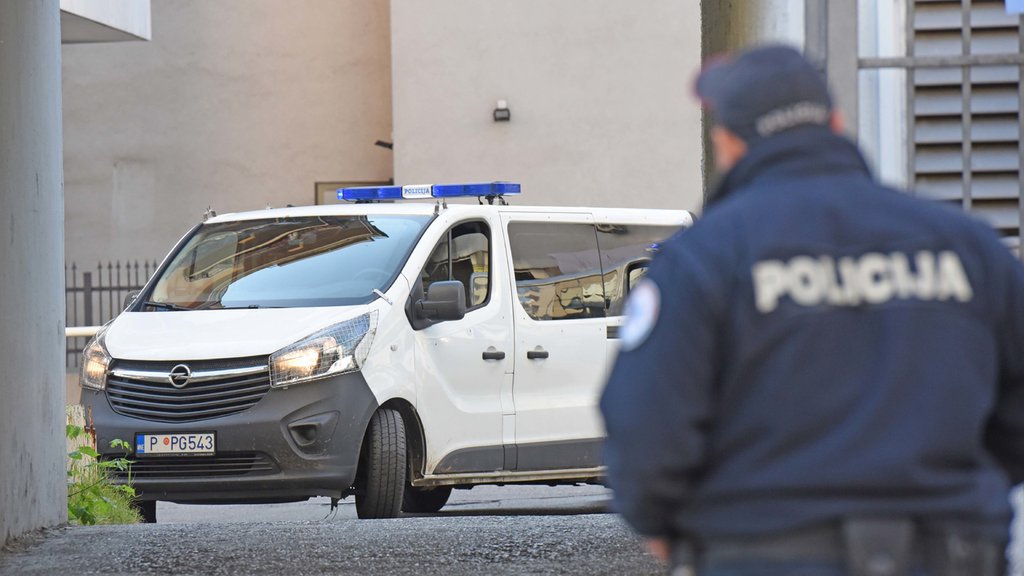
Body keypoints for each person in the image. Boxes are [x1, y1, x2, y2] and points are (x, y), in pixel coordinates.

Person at [599, 44, 1024, 576]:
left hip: (768, 552)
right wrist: (951, 501)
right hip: (952, 552)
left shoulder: (705, 259)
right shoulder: (968, 247)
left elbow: (646, 424)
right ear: (838, 123)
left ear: (728, 143)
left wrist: (663, 523)